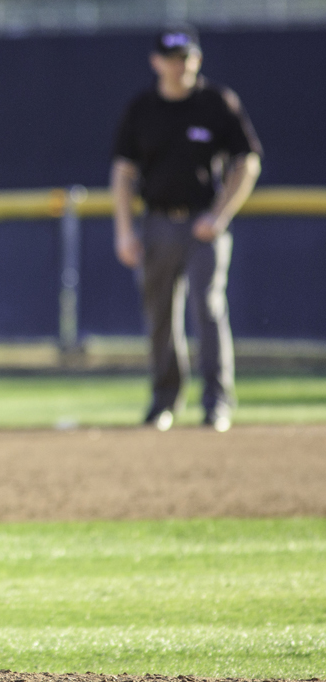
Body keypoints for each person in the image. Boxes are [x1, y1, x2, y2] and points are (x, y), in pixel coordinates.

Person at [111, 26, 262, 433]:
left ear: (197, 59)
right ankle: (164, 401)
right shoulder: (142, 108)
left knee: (207, 309)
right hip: (157, 222)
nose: (181, 66)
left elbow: (247, 162)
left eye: (187, 58)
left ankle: (217, 403)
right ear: (156, 62)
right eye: (173, 58)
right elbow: (123, 172)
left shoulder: (216, 103)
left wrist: (220, 214)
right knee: (159, 315)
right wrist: (124, 231)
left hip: (202, 225)